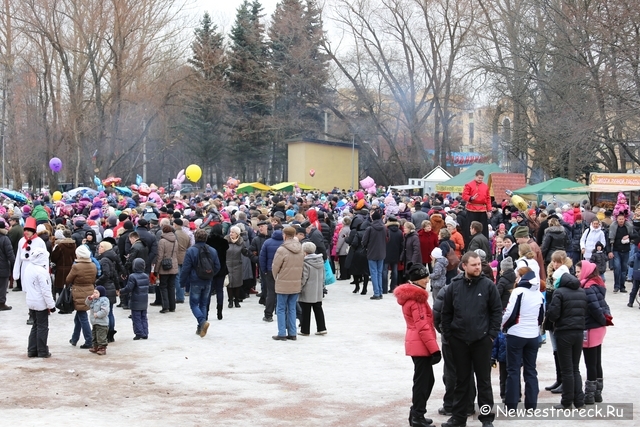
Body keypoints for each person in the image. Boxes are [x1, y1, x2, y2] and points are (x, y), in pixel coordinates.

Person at [440, 251, 502, 427]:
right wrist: (449, 336)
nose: (477, 267)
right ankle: (459, 418)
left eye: (479, 264)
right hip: (459, 341)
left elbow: (497, 311)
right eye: (473, 265)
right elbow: (446, 313)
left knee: (484, 382)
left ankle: (486, 418)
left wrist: (491, 335)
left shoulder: (488, 286)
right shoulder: (454, 286)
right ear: (464, 266)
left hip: (482, 341)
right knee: (461, 381)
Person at [394, 263, 441, 427]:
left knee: (426, 380)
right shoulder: (417, 299)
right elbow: (423, 327)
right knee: (423, 382)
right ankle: (417, 416)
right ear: (417, 279)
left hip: (417, 344)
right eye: (425, 277)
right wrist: (435, 349)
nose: (427, 280)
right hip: (420, 345)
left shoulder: (413, 296)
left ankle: (416, 414)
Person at [546, 261, 588, 409]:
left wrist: (549, 314)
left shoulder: (559, 292)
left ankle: (566, 401)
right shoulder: (582, 291)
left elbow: (553, 314)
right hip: (578, 332)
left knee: (567, 370)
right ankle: (579, 400)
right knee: (575, 368)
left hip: (564, 333)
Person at [502, 268, 544, 410]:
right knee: (531, 370)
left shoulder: (518, 292)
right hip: (533, 335)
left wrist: (502, 326)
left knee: (513, 370)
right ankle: (531, 405)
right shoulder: (538, 295)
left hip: (516, 334)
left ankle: (511, 405)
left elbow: (509, 313)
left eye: (518, 276)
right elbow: (540, 317)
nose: (516, 279)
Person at [577, 260, 611, 404]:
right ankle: (598, 393)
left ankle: (589, 395)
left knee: (590, 362)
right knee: (597, 361)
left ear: (585, 271)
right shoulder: (596, 284)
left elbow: (594, 308)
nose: (576, 274)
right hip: (598, 328)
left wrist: (600, 320)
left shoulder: (587, 288)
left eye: (578, 271)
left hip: (591, 327)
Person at [271, 226, 304, 341]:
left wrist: (277, 278)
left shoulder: (282, 249)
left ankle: (281, 332)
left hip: (283, 283)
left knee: (280, 308)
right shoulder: (300, 248)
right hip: (296, 282)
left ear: (284, 235)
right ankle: (292, 332)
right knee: (292, 308)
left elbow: (275, 267)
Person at [24, 248, 55, 358]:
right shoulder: (41, 271)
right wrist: (51, 305)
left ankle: (32, 350)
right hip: (40, 302)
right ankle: (42, 350)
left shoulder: (29, 267)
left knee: (35, 326)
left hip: (30, 300)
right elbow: (46, 291)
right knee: (42, 327)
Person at [67, 245, 98, 349]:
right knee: (79, 317)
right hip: (90, 291)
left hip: (79, 292)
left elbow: (68, 279)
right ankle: (74, 338)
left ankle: (89, 340)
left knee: (82, 317)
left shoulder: (76, 266)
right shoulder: (93, 265)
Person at [95, 241, 125, 343]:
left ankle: (107, 334)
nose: (99, 248)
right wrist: (117, 287)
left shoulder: (104, 260)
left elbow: (106, 274)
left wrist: (96, 282)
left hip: (105, 288)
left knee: (106, 313)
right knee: (110, 312)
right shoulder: (111, 259)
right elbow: (115, 275)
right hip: (111, 287)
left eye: (101, 247)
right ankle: (110, 334)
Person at [299, 242, 327, 336]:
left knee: (306, 311)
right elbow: (323, 276)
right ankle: (322, 328)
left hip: (308, 290)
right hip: (318, 289)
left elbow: (304, 277)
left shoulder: (305, 262)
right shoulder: (320, 260)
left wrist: (300, 287)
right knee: (318, 308)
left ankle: (305, 330)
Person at [119, 258, 150, 340]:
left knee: (136, 317)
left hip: (135, 300)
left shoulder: (133, 276)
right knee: (143, 317)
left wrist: (121, 291)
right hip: (144, 300)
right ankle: (145, 332)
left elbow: (129, 288)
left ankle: (139, 333)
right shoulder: (146, 276)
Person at [259, 228, 284, 322]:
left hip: (270, 271)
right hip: (283, 271)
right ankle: (281, 312)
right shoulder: (285, 243)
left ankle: (268, 314)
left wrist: (264, 270)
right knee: (283, 292)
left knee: (271, 292)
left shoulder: (267, 242)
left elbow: (262, 258)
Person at [362, 209, 388, 300]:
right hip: (382, 252)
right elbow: (387, 239)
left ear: (372, 218)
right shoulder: (384, 228)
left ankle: (376, 293)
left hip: (372, 252)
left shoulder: (370, 228)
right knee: (379, 272)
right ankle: (380, 292)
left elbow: (364, 241)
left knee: (373, 273)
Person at [206, 224, 229, 320]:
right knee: (220, 290)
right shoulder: (224, 242)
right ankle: (219, 312)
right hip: (221, 268)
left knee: (208, 291)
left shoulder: (208, 241)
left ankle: (206, 312)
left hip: (210, 268)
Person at [608, 213, 635, 293]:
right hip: (616, 250)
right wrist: (610, 251)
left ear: (624, 219)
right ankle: (616, 286)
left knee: (624, 269)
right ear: (617, 219)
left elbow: (634, 236)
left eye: (622, 219)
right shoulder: (613, 227)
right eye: (619, 219)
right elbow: (609, 240)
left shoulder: (628, 227)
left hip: (626, 250)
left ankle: (622, 286)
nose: (621, 221)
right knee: (617, 268)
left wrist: (629, 237)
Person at [461, 170, 491, 240]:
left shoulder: (485, 186)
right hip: (471, 209)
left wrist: (489, 210)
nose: (480, 180)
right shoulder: (469, 185)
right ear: (475, 176)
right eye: (479, 178)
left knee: (483, 228)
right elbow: (464, 195)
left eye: (481, 178)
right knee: (471, 227)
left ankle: (483, 241)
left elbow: (488, 199)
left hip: (482, 210)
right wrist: (471, 198)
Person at [155, 225, 179, 313]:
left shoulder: (162, 241)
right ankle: (172, 306)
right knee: (171, 287)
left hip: (164, 266)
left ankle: (165, 306)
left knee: (163, 286)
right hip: (174, 265)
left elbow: (160, 256)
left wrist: (156, 269)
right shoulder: (175, 240)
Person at [51, 229, 76, 299]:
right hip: (71, 268)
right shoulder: (74, 245)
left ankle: (62, 304)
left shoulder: (60, 246)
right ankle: (68, 302)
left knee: (60, 288)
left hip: (61, 270)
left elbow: (54, 257)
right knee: (69, 287)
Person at [86, 286, 110, 355]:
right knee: (94, 335)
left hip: (102, 323)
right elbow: (87, 304)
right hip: (95, 322)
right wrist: (89, 299)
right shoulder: (94, 300)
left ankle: (102, 348)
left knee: (101, 336)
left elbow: (105, 311)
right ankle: (95, 346)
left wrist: (98, 315)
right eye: (94, 292)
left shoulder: (104, 300)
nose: (94, 294)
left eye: (96, 292)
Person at [384, 216, 403, 293]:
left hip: (386, 253)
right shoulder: (400, 232)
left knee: (384, 271)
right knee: (395, 271)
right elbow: (402, 244)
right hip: (396, 254)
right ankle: (393, 288)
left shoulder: (386, 231)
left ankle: (384, 289)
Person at [0, 220, 15, 311]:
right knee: (2, 286)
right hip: (3, 266)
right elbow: (10, 253)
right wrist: (15, 264)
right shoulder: (5, 239)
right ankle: (1, 303)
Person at [335, 217, 352, 281]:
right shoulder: (350, 229)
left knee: (342, 263)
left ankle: (343, 275)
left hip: (343, 248)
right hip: (348, 248)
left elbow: (340, 240)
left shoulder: (344, 230)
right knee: (347, 262)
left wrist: (337, 249)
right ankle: (348, 275)